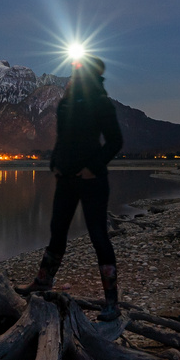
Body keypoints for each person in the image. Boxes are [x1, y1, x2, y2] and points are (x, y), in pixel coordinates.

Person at [19, 55, 125, 320]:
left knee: (98, 235)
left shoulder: (101, 103)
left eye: (79, 69)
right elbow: (62, 139)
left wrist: (93, 167)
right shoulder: (66, 103)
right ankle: (43, 281)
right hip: (66, 179)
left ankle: (111, 302)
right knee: (57, 231)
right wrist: (55, 163)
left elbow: (115, 141)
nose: (74, 72)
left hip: (92, 181)